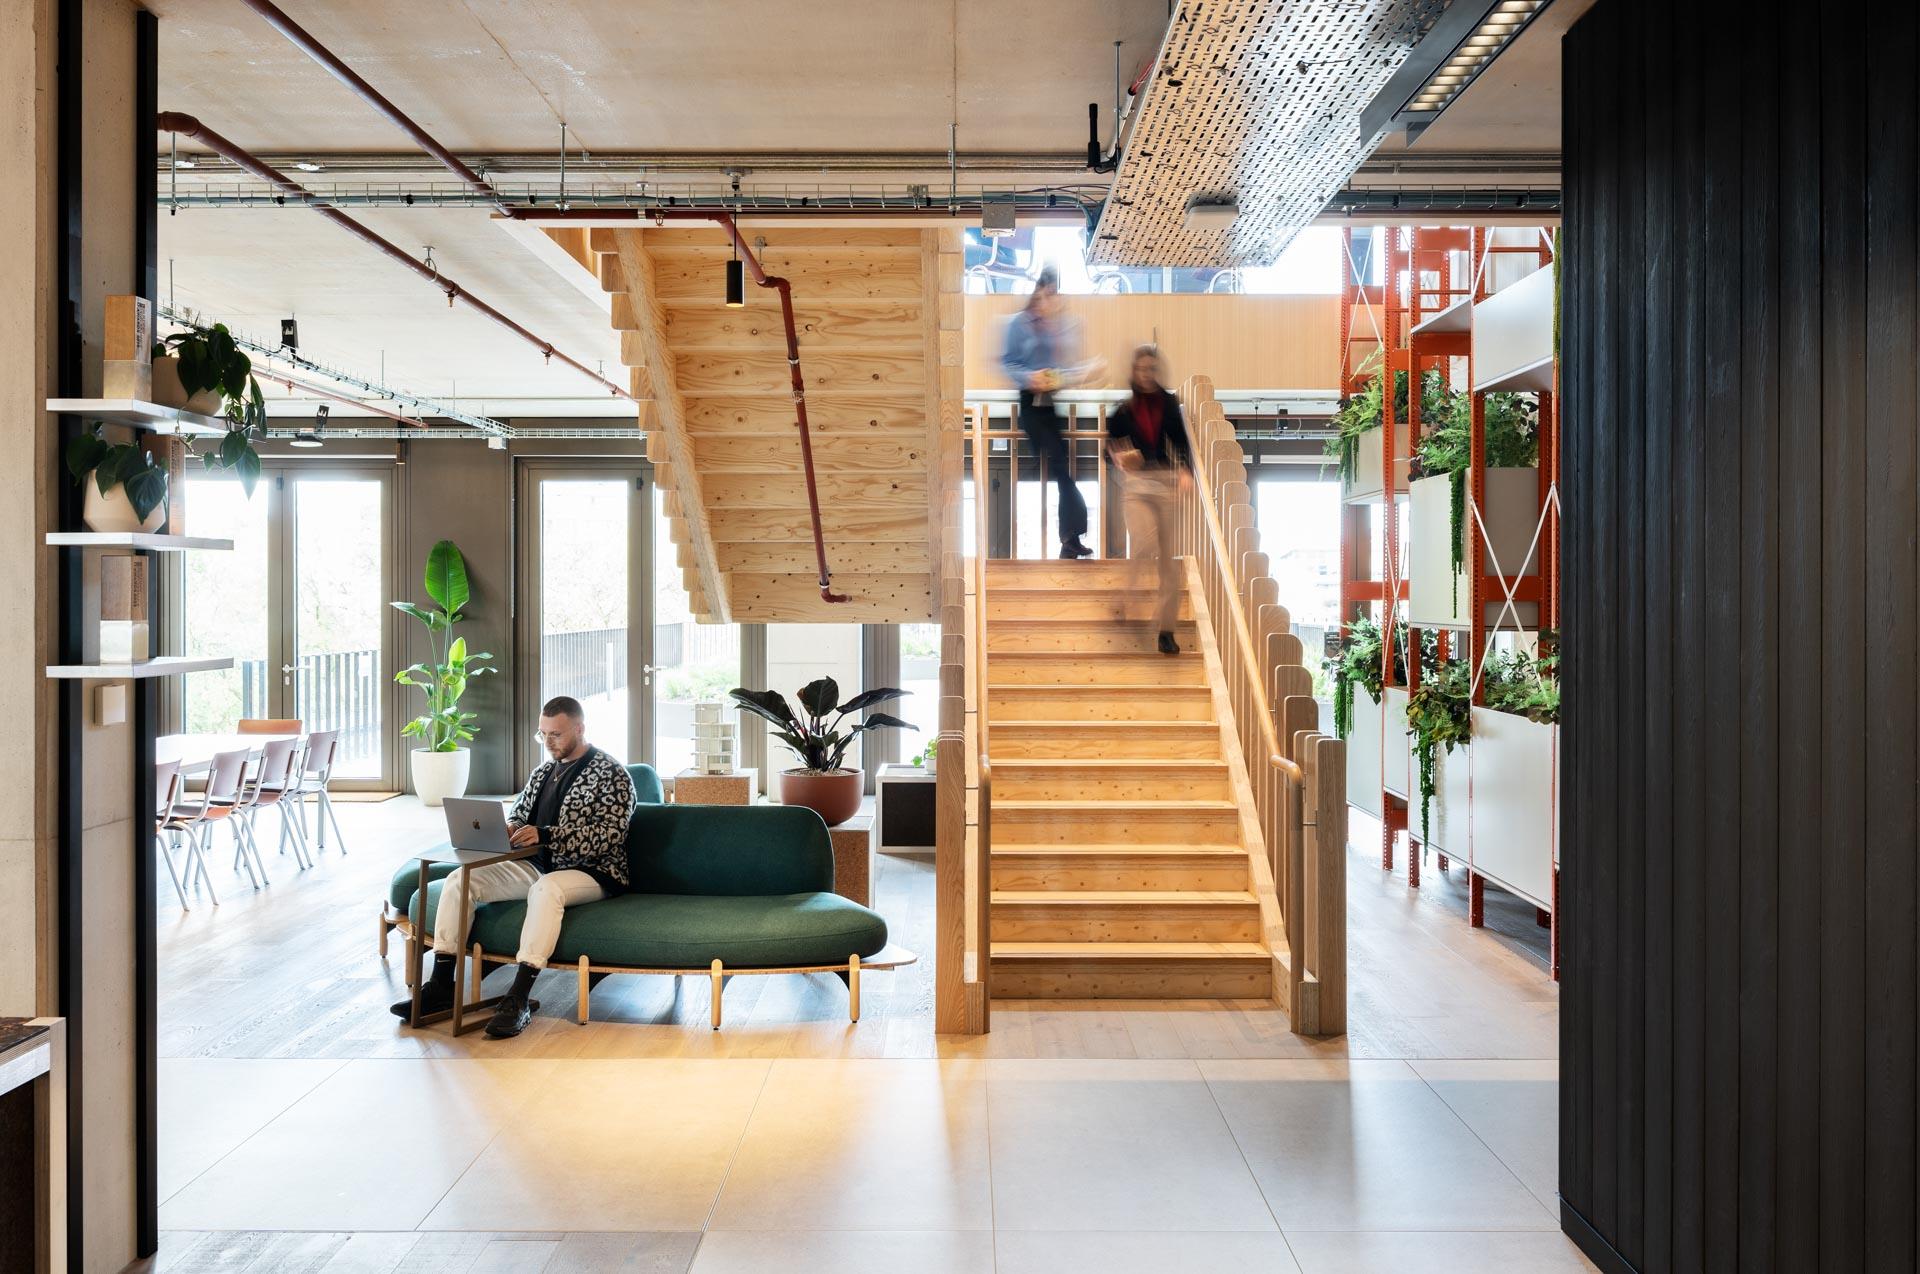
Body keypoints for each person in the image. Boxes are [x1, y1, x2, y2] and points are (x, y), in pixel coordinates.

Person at [391, 695, 634, 1038]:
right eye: (543, 734)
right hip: (535, 864)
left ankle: (518, 998)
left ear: (580, 729)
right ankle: (441, 986)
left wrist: (547, 834)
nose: (549, 742)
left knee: (546, 889)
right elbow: (520, 813)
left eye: (556, 735)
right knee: (461, 879)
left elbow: (608, 836)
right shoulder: (543, 772)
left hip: (592, 871)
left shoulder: (612, 775)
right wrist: (510, 828)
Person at [1000, 267, 1103, 558]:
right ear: (1038, 292)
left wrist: (1083, 373)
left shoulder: (1059, 327)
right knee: (1055, 466)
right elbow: (1007, 363)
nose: (1051, 300)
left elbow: (1062, 372)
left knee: (1062, 468)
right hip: (1030, 401)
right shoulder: (1019, 324)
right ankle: (1069, 536)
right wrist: (1029, 378)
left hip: (1049, 402)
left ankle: (1070, 537)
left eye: (1055, 294)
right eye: (1047, 293)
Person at [1107, 345, 1195, 655]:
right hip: (1137, 484)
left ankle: (1166, 631)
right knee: (1144, 544)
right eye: (1142, 369)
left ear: (1158, 371)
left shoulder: (1169, 403)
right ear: (1134, 372)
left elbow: (1181, 441)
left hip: (1167, 481)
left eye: (1152, 369)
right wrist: (1118, 458)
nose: (1147, 374)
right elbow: (1111, 449)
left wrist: (1186, 470)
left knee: (1169, 560)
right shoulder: (1122, 411)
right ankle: (1126, 600)